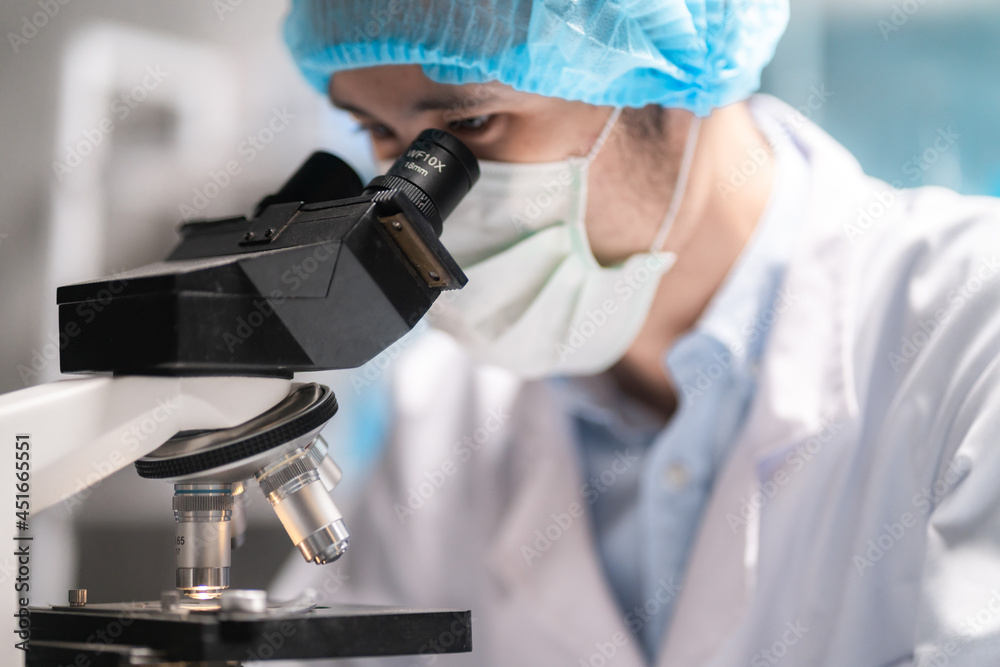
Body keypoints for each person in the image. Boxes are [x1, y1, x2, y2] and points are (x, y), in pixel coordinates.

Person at [271, 1, 1000, 665]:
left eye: (469, 125)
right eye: (378, 133)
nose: (417, 202)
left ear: (666, 78)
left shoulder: (973, 330)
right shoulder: (442, 410)